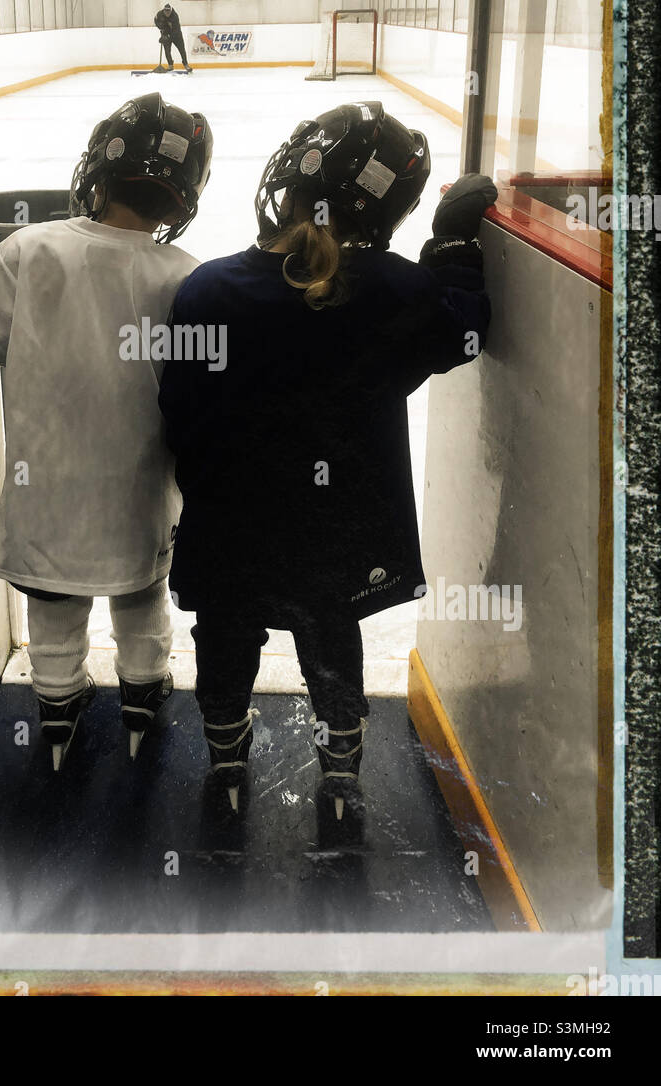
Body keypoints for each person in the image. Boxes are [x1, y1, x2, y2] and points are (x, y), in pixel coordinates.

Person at [158, 102, 494, 822]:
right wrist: (453, 249)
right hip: (335, 536)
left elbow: (178, 416)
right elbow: (464, 329)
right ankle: (339, 773)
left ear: (287, 181)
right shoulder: (393, 291)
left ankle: (225, 761)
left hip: (228, 528)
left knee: (222, 634)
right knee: (330, 635)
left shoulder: (206, 289)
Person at [0, 93, 212, 770]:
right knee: (141, 593)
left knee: (53, 599)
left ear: (99, 171)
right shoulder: (185, 275)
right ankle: (143, 693)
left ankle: (57, 702)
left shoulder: (27, 248)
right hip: (140, 489)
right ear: (180, 202)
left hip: (46, 486)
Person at [154, 3, 192, 73]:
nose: (167, 13)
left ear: (171, 11)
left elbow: (176, 30)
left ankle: (186, 64)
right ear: (164, 11)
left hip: (176, 35)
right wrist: (160, 27)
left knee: (182, 50)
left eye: (168, 12)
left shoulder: (175, 17)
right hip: (165, 33)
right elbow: (156, 20)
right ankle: (170, 64)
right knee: (167, 50)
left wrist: (168, 37)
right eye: (166, 11)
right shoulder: (159, 14)